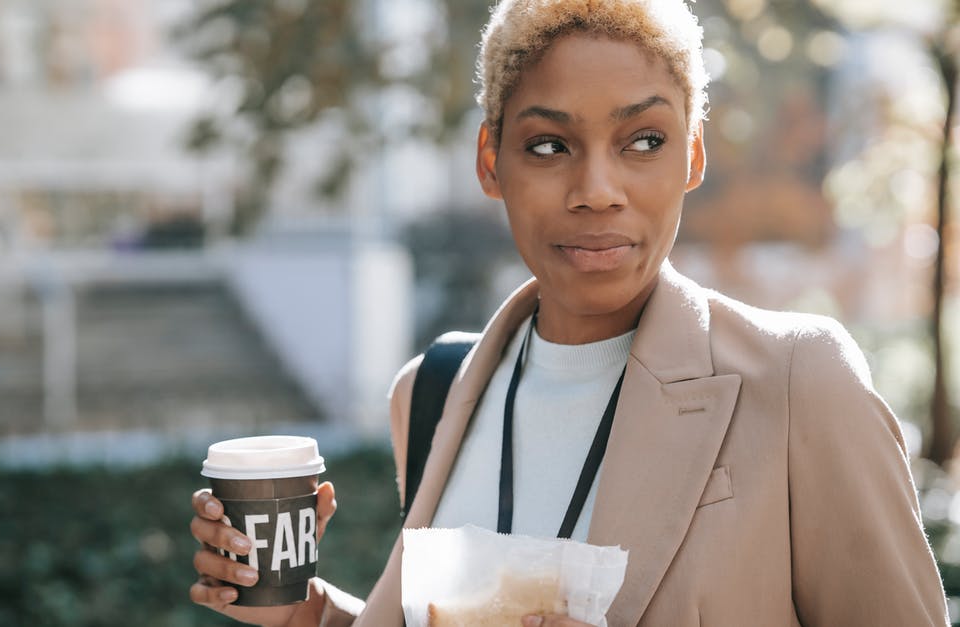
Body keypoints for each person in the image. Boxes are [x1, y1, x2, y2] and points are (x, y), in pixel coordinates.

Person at [189, 0, 950, 625]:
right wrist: (310, 614)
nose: (596, 189)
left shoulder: (797, 380)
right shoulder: (431, 392)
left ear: (692, 156)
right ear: (491, 162)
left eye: (643, 140)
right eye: (549, 145)